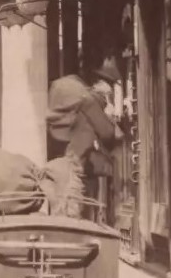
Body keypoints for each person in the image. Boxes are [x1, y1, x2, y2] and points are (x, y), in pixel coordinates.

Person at [44, 60, 120, 217]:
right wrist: (110, 115)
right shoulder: (90, 102)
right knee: (72, 219)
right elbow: (108, 134)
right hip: (75, 171)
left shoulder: (76, 104)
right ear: (102, 84)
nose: (111, 90)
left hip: (60, 167)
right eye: (110, 85)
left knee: (60, 216)